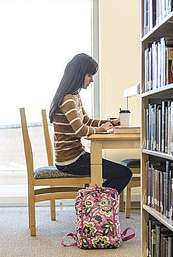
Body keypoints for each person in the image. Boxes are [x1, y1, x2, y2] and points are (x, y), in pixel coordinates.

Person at [49, 53, 132, 194]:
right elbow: (80, 130)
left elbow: (86, 121)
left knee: (121, 173)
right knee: (124, 173)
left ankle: (96, 204)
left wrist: (110, 122)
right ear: (79, 74)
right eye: (89, 75)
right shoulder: (68, 99)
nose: (92, 80)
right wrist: (101, 129)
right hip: (70, 162)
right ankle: (98, 205)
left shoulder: (74, 96)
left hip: (75, 157)